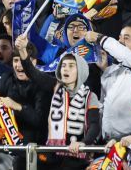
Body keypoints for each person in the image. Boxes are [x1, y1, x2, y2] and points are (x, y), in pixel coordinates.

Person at [15, 34, 100, 170]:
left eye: (71, 66)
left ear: (81, 71)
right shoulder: (55, 86)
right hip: (52, 155)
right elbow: (32, 72)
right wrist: (23, 50)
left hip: (77, 157)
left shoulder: (90, 96)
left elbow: (95, 125)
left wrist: (83, 143)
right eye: (63, 65)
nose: (65, 69)